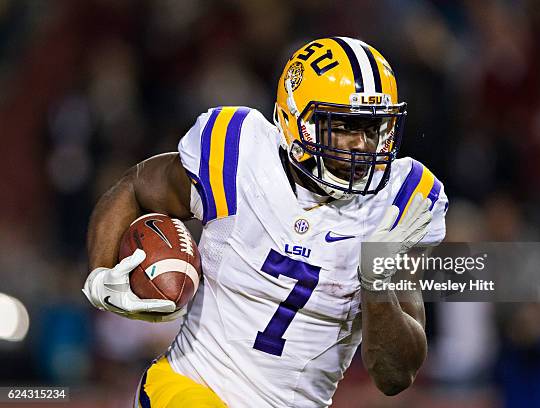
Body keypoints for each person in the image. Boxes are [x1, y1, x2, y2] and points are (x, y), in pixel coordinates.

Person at [82, 37, 448, 408]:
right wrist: (99, 272)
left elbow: (395, 375)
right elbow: (135, 187)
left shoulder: (401, 202)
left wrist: (377, 281)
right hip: (189, 388)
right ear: (296, 120)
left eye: (373, 129)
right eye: (344, 126)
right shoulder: (238, 154)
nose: (362, 146)